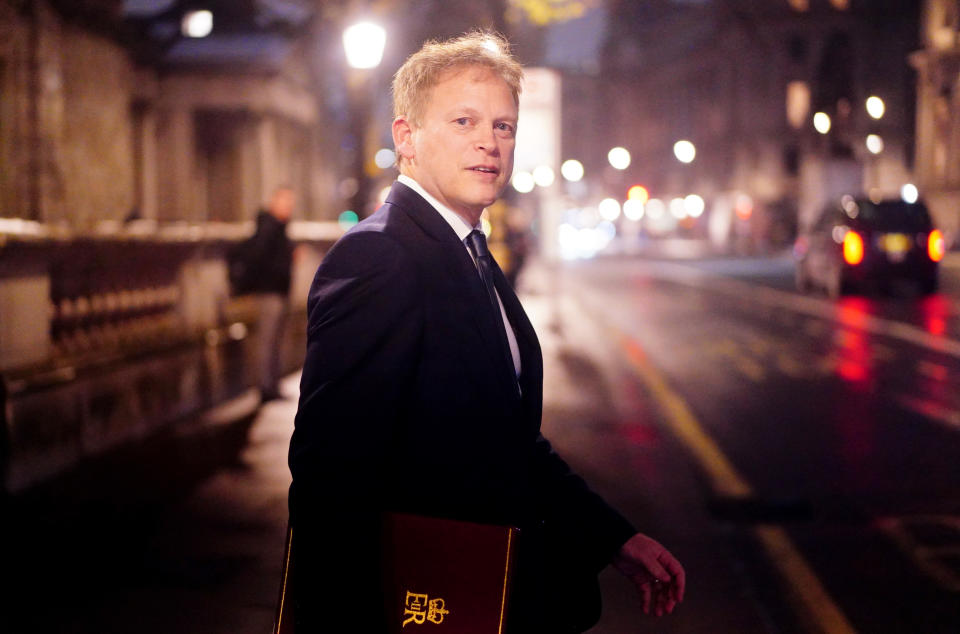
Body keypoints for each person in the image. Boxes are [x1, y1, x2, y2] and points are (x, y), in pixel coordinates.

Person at [287, 31, 684, 632]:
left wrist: (614, 539)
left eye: (503, 126)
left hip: (486, 595)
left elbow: (510, 440)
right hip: (425, 603)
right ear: (407, 138)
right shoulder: (379, 257)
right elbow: (330, 474)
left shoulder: (469, 251)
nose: (488, 142)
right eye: (464, 120)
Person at [245, 185, 294, 402]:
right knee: (267, 340)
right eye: (285, 203)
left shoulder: (279, 227)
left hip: (278, 290)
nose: (289, 208)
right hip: (270, 291)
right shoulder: (269, 227)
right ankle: (266, 388)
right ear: (275, 202)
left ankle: (272, 385)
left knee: (275, 340)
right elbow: (259, 258)